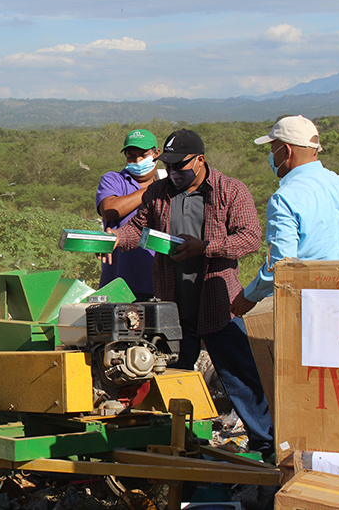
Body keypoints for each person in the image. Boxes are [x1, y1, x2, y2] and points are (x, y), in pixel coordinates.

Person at [107, 129, 274, 458]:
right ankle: (176, 442)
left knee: (240, 379)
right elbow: (138, 228)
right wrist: (116, 238)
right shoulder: (158, 192)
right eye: (168, 167)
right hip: (173, 307)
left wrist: (206, 248)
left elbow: (250, 237)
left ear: (199, 160)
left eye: (180, 167)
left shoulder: (230, 190)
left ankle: (266, 445)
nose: (173, 173)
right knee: (170, 378)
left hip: (219, 304)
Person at [231, 115, 339, 316]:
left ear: (286, 150)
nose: (272, 156)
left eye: (273, 149)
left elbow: (282, 264)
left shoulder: (285, 198)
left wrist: (249, 296)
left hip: (312, 305)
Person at [95, 129, 160, 301]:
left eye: (143, 155)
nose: (137, 161)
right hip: (119, 281)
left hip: (158, 281)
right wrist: (151, 190)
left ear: (156, 154)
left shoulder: (168, 186)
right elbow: (110, 210)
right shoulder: (114, 180)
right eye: (131, 156)